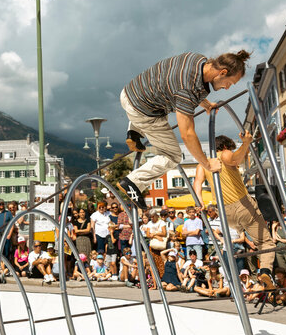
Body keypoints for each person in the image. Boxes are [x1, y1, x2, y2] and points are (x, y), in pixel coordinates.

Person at [118, 51, 253, 208]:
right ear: (222, 72)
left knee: (164, 100)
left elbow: (182, 86)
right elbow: (187, 134)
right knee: (172, 156)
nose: (227, 88)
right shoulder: (186, 90)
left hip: (131, 92)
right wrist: (207, 165)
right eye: (229, 83)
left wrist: (205, 103)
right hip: (143, 112)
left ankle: (134, 131)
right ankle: (133, 182)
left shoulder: (198, 59)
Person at [194, 133, 276, 283]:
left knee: (241, 232)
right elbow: (235, 158)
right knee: (265, 243)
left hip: (224, 212)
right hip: (242, 205)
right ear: (225, 146)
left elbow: (197, 183)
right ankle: (265, 271)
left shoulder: (203, 164)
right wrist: (246, 143)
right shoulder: (225, 154)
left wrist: (199, 201)